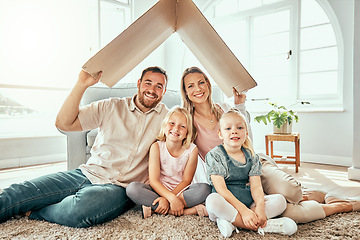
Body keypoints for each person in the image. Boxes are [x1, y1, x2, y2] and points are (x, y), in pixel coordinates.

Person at [180, 66, 360, 225]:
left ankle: (316, 195)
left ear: (208, 85)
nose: (198, 88)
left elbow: (246, 136)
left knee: (292, 192)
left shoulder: (225, 108)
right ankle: (343, 205)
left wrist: (240, 105)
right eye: (191, 86)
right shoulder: (187, 121)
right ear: (186, 92)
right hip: (231, 179)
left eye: (201, 82)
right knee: (288, 211)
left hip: (253, 165)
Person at [0, 66, 169, 227]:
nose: (152, 90)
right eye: (148, 83)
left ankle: (35, 211)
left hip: (120, 188)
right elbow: (64, 123)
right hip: (87, 173)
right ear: (139, 84)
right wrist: (81, 84)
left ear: (164, 92)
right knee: (21, 191)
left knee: (83, 207)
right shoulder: (111, 106)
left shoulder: (169, 119)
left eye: (158, 86)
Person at [205, 110, 297, 237]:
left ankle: (233, 222)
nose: (234, 131)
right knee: (212, 201)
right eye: (228, 128)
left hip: (247, 202)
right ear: (220, 134)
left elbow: (256, 186)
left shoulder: (252, 156)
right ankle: (263, 226)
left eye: (240, 127)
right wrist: (243, 211)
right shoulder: (215, 156)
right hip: (225, 202)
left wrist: (259, 208)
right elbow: (221, 190)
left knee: (280, 200)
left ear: (246, 133)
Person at [126, 107, 211, 218]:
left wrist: (172, 198)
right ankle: (188, 211)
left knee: (205, 189)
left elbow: (186, 181)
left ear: (187, 133)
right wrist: (170, 198)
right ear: (164, 126)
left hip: (182, 192)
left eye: (182, 126)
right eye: (172, 123)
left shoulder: (192, 150)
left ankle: (156, 208)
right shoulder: (156, 147)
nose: (176, 128)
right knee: (132, 189)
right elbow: (154, 181)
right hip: (158, 191)